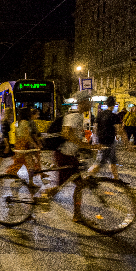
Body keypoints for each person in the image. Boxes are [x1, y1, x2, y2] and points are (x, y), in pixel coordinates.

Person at [42, 90, 102, 221]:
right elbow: (66, 133)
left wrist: (85, 147)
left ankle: (76, 214)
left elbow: (74, 136)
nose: (91, 103)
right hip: (64, 155)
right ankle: (43, 197)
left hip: (68, 155)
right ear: (83, 102)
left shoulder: (78, 115)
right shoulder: (75, 116)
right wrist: (87, 146)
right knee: (72, 185)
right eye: (89, 100)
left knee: (69, 185)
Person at [87, 96, 128, 181]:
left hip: (101, 140)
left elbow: (95, 128)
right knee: (100, 162)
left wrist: (94, 140)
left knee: (112, 160)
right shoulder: (114, 116)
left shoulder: (100, 114)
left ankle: (116, 179)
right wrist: (126, 143)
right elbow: (119, 130)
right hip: (109, 141)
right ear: (114, 104)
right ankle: (89, 176)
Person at [5, 107, 40, 187]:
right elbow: (27, 136)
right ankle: (30, 182)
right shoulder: (25, 123)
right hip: (25, 145)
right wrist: (35, 145)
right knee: (30, 165)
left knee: (19, 163)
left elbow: (16, 134)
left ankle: (12, 174)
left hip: (19, 144)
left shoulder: (17, 123)